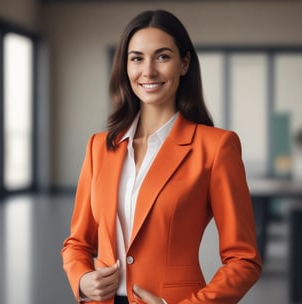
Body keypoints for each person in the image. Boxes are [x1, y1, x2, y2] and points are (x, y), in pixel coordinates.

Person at [62, 9, 262, 304]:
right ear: (125, 66)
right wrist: (81, 280)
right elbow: (78, 243)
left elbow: (244, 260)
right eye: (137, 58)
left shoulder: (217, 147)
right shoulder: (99, 146)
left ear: (184, 63)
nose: (148, 71)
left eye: (163, 57)